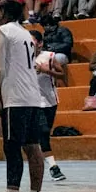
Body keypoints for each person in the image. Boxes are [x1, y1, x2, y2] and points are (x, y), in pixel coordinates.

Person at [0, 0, 46, 192]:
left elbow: (0, 68)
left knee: (12, 148)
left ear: (3, 12)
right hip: (32, 96)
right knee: (33, 147)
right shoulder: (26, 33)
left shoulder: (2, 31)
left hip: (15, 97)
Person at [32, 30, 68, 182]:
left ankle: (40, 162)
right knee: (43, 132)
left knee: (45, 134)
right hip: (33, 102)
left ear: (40, 43)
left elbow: (62, 75)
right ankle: (54, 167)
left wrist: (47, 71)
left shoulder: (49, 56)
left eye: (32, 41)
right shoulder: (22, 59)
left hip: (50, 101)